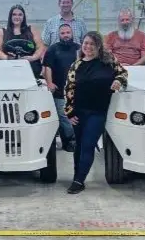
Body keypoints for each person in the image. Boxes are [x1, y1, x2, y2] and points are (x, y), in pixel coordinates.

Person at [63, 32, 127, 194]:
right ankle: (77, 176)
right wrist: (69, 113)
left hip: (98, 112)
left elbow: (123, 73)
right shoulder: (76, 65)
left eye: (92, 44)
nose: (88, 47)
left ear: (98, 46)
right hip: (78, 112)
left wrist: (118, 81)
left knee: (88, 145)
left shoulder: (109, 61)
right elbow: (69, 89)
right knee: (79, 146)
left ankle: (79, 180)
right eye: (85, 43)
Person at [41, 23, 79, 152]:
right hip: (59, 90)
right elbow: (47, 67)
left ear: (72, 33)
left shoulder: (79, 49)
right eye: (63, 33)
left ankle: (77, 140)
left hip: (77, 90)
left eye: (68, 33)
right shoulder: (52, 49)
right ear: (59, 35)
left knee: (76, 116)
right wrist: (50, 83)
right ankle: (69, 140)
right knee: (64, 117)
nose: (66, 35)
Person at [0, 5, 46, 77]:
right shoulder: (2, 32)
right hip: (8, 69)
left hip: (30, 68)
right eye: (14, 14)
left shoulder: (32, 30)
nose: (17, 17)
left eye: (20, 15)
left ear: (23, 17)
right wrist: (7, 58)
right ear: (10, 16)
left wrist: (33, 57)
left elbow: (40, 47)